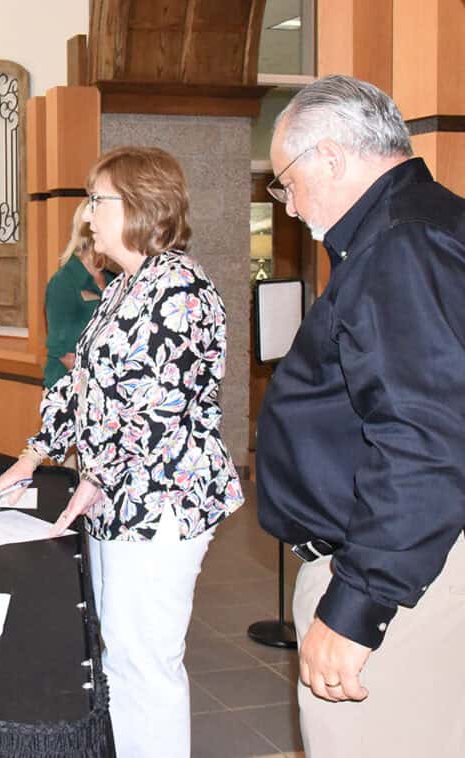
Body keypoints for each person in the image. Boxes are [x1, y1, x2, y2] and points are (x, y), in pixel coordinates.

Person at [0, 146, 243, 758]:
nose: (86, 215)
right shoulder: (126, 285)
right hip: (116, 498)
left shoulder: (178, 289)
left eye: (95, 200)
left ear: (139, 205)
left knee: (145, 666)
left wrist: (94, 477)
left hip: (161, 504)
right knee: (118, 659)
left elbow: (158, 410)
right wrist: (32, 457)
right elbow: (83, 389)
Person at [257, 74, 465, 757]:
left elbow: (422, 440)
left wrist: (356, 609)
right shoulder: (427, 222)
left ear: (330, 157)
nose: (289, 206)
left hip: (395, 574)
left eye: (287, 183)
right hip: (412, 558)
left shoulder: (400, 246)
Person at [43, 201, 113, 389]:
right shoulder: (63, 282)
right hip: (69, 388)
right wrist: (99, 386)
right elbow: (62, 352)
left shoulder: (114, 279)